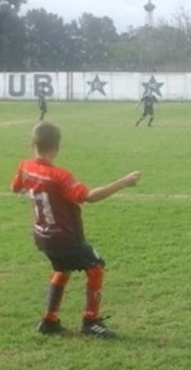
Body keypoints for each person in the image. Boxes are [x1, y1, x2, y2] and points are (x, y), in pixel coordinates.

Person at [10, 122, 141, 338]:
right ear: (57, 147)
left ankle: (50, 320)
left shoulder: (24, 167)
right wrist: (123, 182)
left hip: (42, 235)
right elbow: (88, 197)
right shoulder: (60, 176)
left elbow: (15, 188)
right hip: (63, 236)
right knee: (96, 266)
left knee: (62, 269)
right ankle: (91, 321)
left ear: (32, 143)